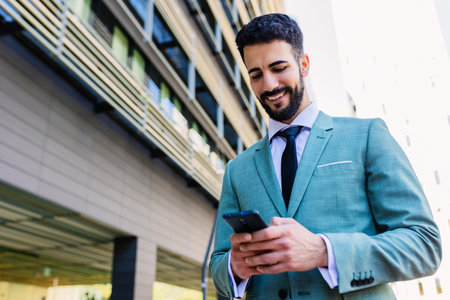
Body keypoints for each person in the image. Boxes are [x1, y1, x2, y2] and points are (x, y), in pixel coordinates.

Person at [209, 13, 441, 300]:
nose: (268, 85)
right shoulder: (237, 169)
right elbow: (218, 264)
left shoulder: (367, 136)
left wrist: (324, 251)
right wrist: (235, 267)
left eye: (279, 68)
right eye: (256, 75)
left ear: (304, 65)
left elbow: (424, 245)